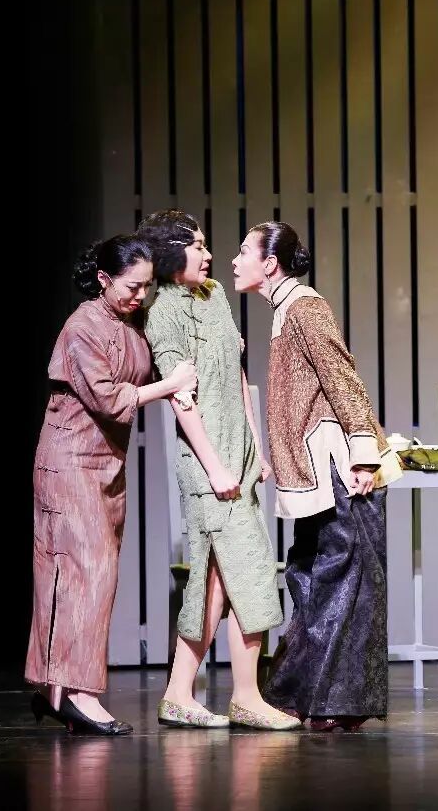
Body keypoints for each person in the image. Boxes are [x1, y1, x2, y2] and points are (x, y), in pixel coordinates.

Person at [230, 221, 402, 731]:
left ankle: (335, 703)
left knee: (343, 581)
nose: (235, 260)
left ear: (270, 263)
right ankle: (304, 695)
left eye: (244, 251)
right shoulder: (286, 309)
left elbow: (342, 376)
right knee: (312, 578)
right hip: (314, 471)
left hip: (338, 468)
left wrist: (364, 452)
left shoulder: (306, 307)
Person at [26, 234, 197, 735]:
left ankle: (55, 690)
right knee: (85, 573)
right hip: (69, 462)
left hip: (107, 462)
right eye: (131, 287)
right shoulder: (82, 327)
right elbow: (107, 398)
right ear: (103, 279)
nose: (140, 296)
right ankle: (79, 695)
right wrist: (168, 387)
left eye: (147, 287)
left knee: (86, 576)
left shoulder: (132, 323)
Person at [138, 210, 298, 731]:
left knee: (215, 583)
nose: (209, 256)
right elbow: (182, 401)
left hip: (237, 458)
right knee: (248, 572)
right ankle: (244, 696)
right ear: (170, 253)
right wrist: (216, 468)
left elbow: (236, 375)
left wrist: (255, 447)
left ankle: (180, 693)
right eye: (198, 246)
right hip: (208, 465)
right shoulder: (163, 311)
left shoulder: (214, 296)